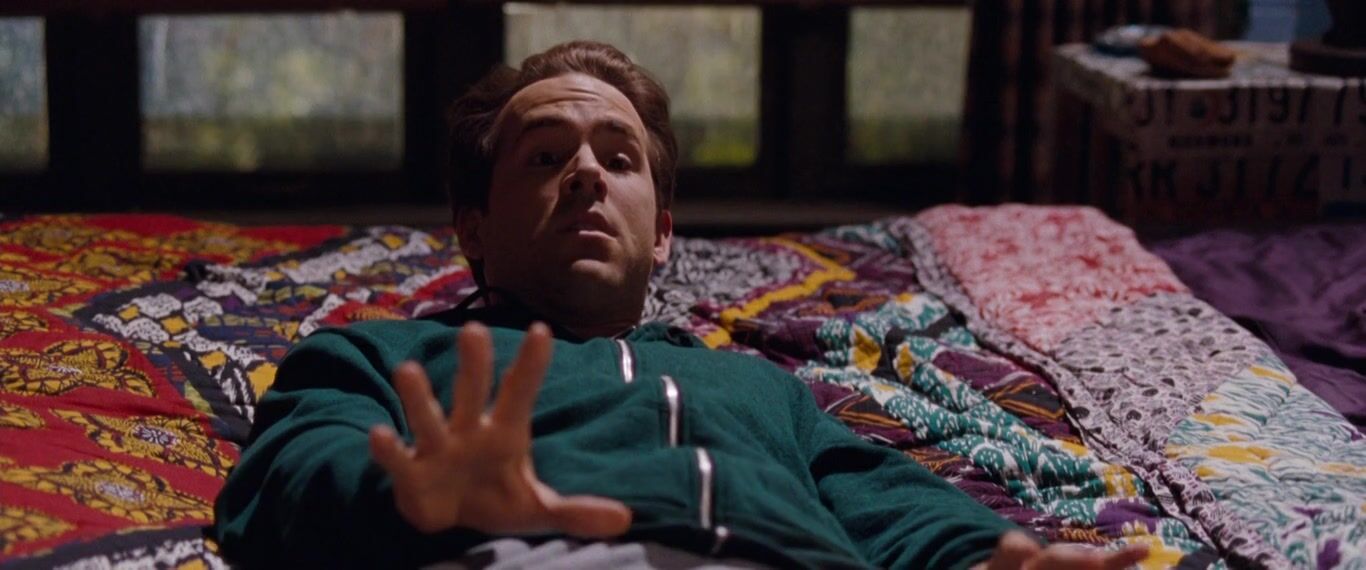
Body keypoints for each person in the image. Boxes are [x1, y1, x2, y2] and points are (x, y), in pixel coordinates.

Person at [212, 41, 1148, 570]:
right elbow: (278, 484)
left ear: (662, 233)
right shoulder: (383, 358)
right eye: (546, 157)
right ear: (474, 228)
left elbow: (892, 505)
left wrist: (994, 556)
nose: (587, 174)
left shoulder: (762, 390)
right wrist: (412, 497)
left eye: (618, 159)